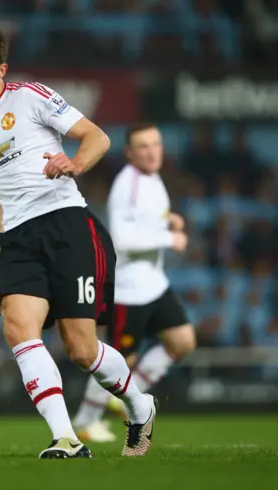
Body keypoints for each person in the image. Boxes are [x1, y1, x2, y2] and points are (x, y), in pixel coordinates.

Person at [0, 25, 157, 459]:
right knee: (17, 327)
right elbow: (3, 206)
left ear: (0, 69)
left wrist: (74, 162)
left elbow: (96, 136)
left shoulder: (30, 95)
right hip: (19, 240)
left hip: (68, 226)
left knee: (82, 350)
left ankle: (141, 406)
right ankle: (66, 438)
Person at [73, 123, 196, 442]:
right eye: (143, 146)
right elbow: (122, 239)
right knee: (115, 359)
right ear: (129, 153)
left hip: (154, 283)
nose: (152, 151)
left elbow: (144, 221)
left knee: (181, 341)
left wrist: (168, 220)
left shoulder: (152, 178)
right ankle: (86, 420)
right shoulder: (128, 185)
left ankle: (128, 395)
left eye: (155, 144)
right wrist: (169, 237)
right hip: (129, 290)